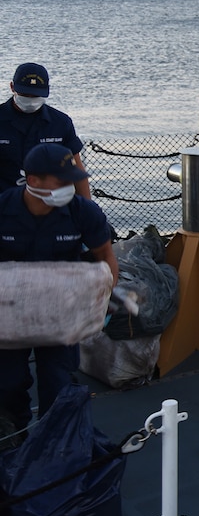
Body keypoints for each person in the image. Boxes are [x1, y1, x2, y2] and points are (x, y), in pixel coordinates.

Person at [0, 143, 119, 432]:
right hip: (10, 315)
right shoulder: (3, 209)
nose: (71, 186)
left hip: (61, 312)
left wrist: (103, 302)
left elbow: (106, 257)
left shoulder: (84, 212)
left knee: (59, 380)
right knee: (8, 382)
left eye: (73, 179)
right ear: (33, 181)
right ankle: (13, 434)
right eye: (62, 181)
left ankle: (55, 438)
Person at [0, 63, 91, 200]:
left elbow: (77, 170)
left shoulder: (60, 123)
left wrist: (87, 210)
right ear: (12, 87)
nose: (30, 101)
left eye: (35, 96)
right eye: (25, 94)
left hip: (49, 205)